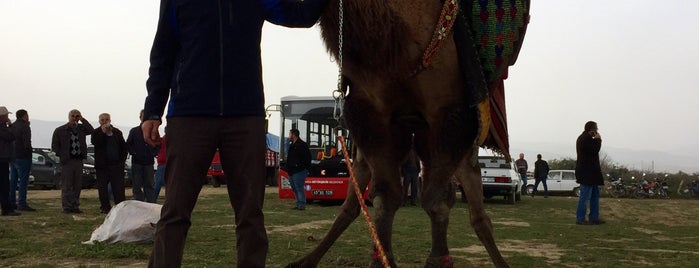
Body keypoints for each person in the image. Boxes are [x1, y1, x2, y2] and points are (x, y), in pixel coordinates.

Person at [141, 1, 330, 267]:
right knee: (175, 210)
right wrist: (152, 111)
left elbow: (301, 15)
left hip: (245, 116)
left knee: (250, 213)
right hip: (189, 115)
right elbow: (163, 52)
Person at [52, 109, 93, 214]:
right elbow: (55, 146)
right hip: (67, 161)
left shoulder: (81, 129)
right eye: (73, 116)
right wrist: (62, 155)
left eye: (77, 116)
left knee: (77, 185)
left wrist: (82, 119)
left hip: (78, 160)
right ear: (69, 117)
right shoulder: (60, 130)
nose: (75, 118)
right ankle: (66, 206)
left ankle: (75, 206)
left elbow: (91, 130)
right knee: (67, 185)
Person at [91, 113, 128, 214]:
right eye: (102, 120)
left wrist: (122, 161)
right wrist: (103, 133)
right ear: (99, 121)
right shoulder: (96, 132)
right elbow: (96, 143)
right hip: (102, 167)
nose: (104, 121)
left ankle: (120, 208)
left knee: (119, 188)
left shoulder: (117, 132)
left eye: (106, 119)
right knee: (103, 189)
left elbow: (124, 148)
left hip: (116, 165)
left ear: (110, 120)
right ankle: (105, 208)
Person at [575, 121, 605, 225]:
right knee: (585, 196)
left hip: (592, 173)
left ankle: (594, 217)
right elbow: (594, 150)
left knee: (595, 196)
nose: (597, 131)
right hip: (586, 173)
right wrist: (598, 140)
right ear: (591, 130)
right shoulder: (585, 139)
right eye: (596, 129)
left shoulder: (585, 138)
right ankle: (580, 218)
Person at [126, 110, 158, 203]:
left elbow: (158, 144)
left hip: (149, 162)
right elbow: (128, 144)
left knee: (149, 184)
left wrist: (153, 152)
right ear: (140, 117)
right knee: (137, 184)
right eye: (144, 116)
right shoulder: (134, 131)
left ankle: (150, 202)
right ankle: (138, 202)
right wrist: (134, 153)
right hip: (137, 162)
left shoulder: (153, 131)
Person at [9, 109, 35, 211]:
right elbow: (26, 142)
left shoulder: (13, 126)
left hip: (13, 155)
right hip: (23, 156)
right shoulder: (25, 126)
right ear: (25, 115)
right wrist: (29, 153)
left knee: (13, 180)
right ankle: (22, 203)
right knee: (23, 180)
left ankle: (12, 202)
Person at [1, 106, 20, 216]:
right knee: (4, 185)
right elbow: (12, 136)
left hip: (3, 157)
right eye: (7, 115)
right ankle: (6, 209)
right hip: (2, 158)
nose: (8, 117)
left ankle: (7, 207)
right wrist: (11, 125)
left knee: (5, 185)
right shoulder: (2, 127)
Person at [287, 128, 312, 210]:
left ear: (294, 135)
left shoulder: (302, 145)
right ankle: (298, 203)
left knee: (299, 187)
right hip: (292, 171)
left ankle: (302, 204)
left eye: (290, 134)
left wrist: (302, 167)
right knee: (294, 187)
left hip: (300, 170)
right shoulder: (291, 145)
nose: (289, 136)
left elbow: (308, 158)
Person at [152, 134, 166, 202]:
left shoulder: (161, 140)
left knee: (158, 182)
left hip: (162, 162)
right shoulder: (171, 139)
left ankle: (153, 199)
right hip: (166, 162)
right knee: (159, 182)